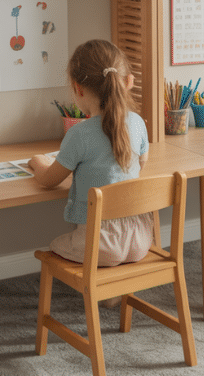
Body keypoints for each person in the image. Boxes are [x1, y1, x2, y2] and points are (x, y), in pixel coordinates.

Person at [28, 39, 152, 270]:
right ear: (128, 82)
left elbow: (48, 180)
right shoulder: (137, 124)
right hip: (140, 241)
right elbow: (142, 162)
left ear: (78, 88)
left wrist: (37, 162)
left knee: (54, 245)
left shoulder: (79, 134)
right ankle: (114, 284)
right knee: (106, 248)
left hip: (99, 246)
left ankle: (104, 277)